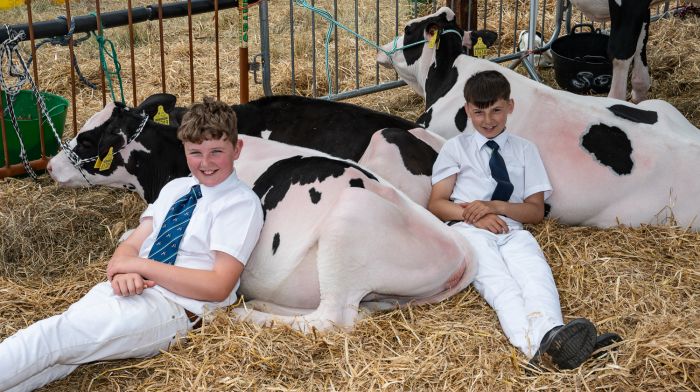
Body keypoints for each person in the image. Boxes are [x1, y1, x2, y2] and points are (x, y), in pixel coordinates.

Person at [0, 97, 264, 391]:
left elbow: (218, 286)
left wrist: (140, 266)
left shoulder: (240, 205)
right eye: (195, 152)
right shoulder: (176, 188)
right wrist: (124, 270)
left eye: (216, 151)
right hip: (129, 289)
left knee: (54, 336)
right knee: (61, 356)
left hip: (174, 309)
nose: (205, 162)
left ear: (237, 149)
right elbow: (131, 246)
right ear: (184, 150)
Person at [427, 70, 620, 370]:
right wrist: (474, 216)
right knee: (499, 283)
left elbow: (535, 212)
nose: (488, 120)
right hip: (470, 231)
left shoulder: (525, 150)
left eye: (496, 110)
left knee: (536, 275)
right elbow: (436, 204)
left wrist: (497, 207)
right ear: (467, 110)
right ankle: (538, 345)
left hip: (513, 230)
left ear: (510, 106)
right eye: (478, 112)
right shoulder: (456, 148)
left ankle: (555, 336)